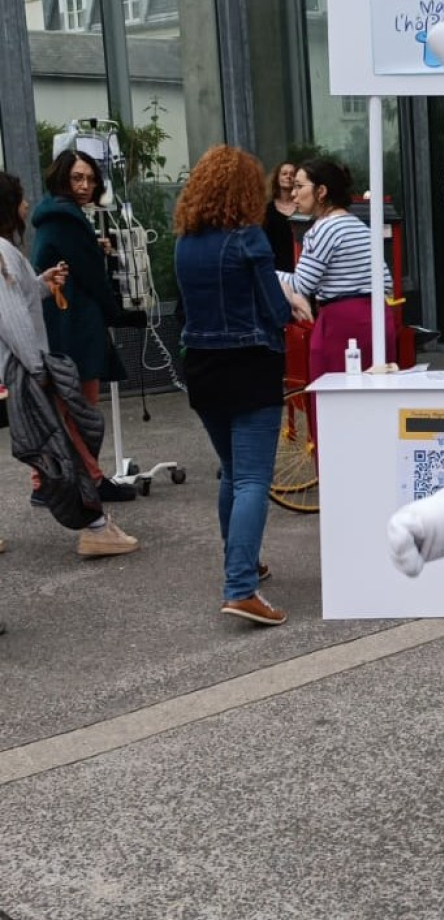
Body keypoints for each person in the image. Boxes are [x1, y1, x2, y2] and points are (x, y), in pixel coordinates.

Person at [174, 145, 308, 627]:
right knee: (253, 478)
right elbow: (273, 309)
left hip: (203, 369)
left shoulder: (185, 243)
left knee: (233, 472)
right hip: (250, 367)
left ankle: (243, 564)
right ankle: (240, 588)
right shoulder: (248, 238)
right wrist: (290, 306)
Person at [0, 171, 138, 558]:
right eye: (21, 199)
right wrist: (37, 368)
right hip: (23, 369)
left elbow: (22, 297)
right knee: (63, 448)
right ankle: (95, 528)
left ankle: (95, 526)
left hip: (20, 367)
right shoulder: (2, 253)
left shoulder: (8, 254)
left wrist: (44, 282)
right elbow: (10, 318)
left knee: (58, 446)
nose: (27, 205)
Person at [29, 149, 138, 504]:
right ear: (62, 178)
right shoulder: (67, 219)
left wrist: (92, 248)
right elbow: (89, 276)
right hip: (73, 324)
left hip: (61, 322)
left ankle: (45, 482)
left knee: (63, 405)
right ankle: (89, 477)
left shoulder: (58, 216)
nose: (85, 185)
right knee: (80, 407)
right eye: (77, 177)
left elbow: (71, 260)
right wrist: (117, 313)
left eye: (90, 178)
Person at [277, 157, 394, 391]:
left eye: (300, 187)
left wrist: (264, 274)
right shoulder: (358, 225)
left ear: (321, 191)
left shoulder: (323, 229)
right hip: (379, 319)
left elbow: (301, 285)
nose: (293, 194)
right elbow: (387, 280)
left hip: (342, 326)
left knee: (333, 401)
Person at [262, 159, 298, 272]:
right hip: (275, 268)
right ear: (277, 178)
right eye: (284, 173)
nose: (288, 176)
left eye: (292, 174)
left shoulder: (302, 208)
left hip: (300, 266)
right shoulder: (266, 210)